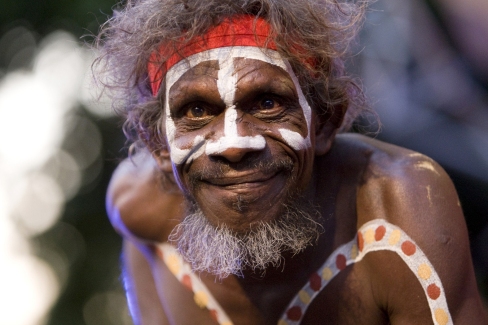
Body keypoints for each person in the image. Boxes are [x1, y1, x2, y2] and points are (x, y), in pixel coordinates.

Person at [97, 0, 488, 324]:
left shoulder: (402, 212)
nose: (233, 144)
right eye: (197, 111)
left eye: (268, 104)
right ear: (159, 146)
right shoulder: (139, 212)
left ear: (326, 123)